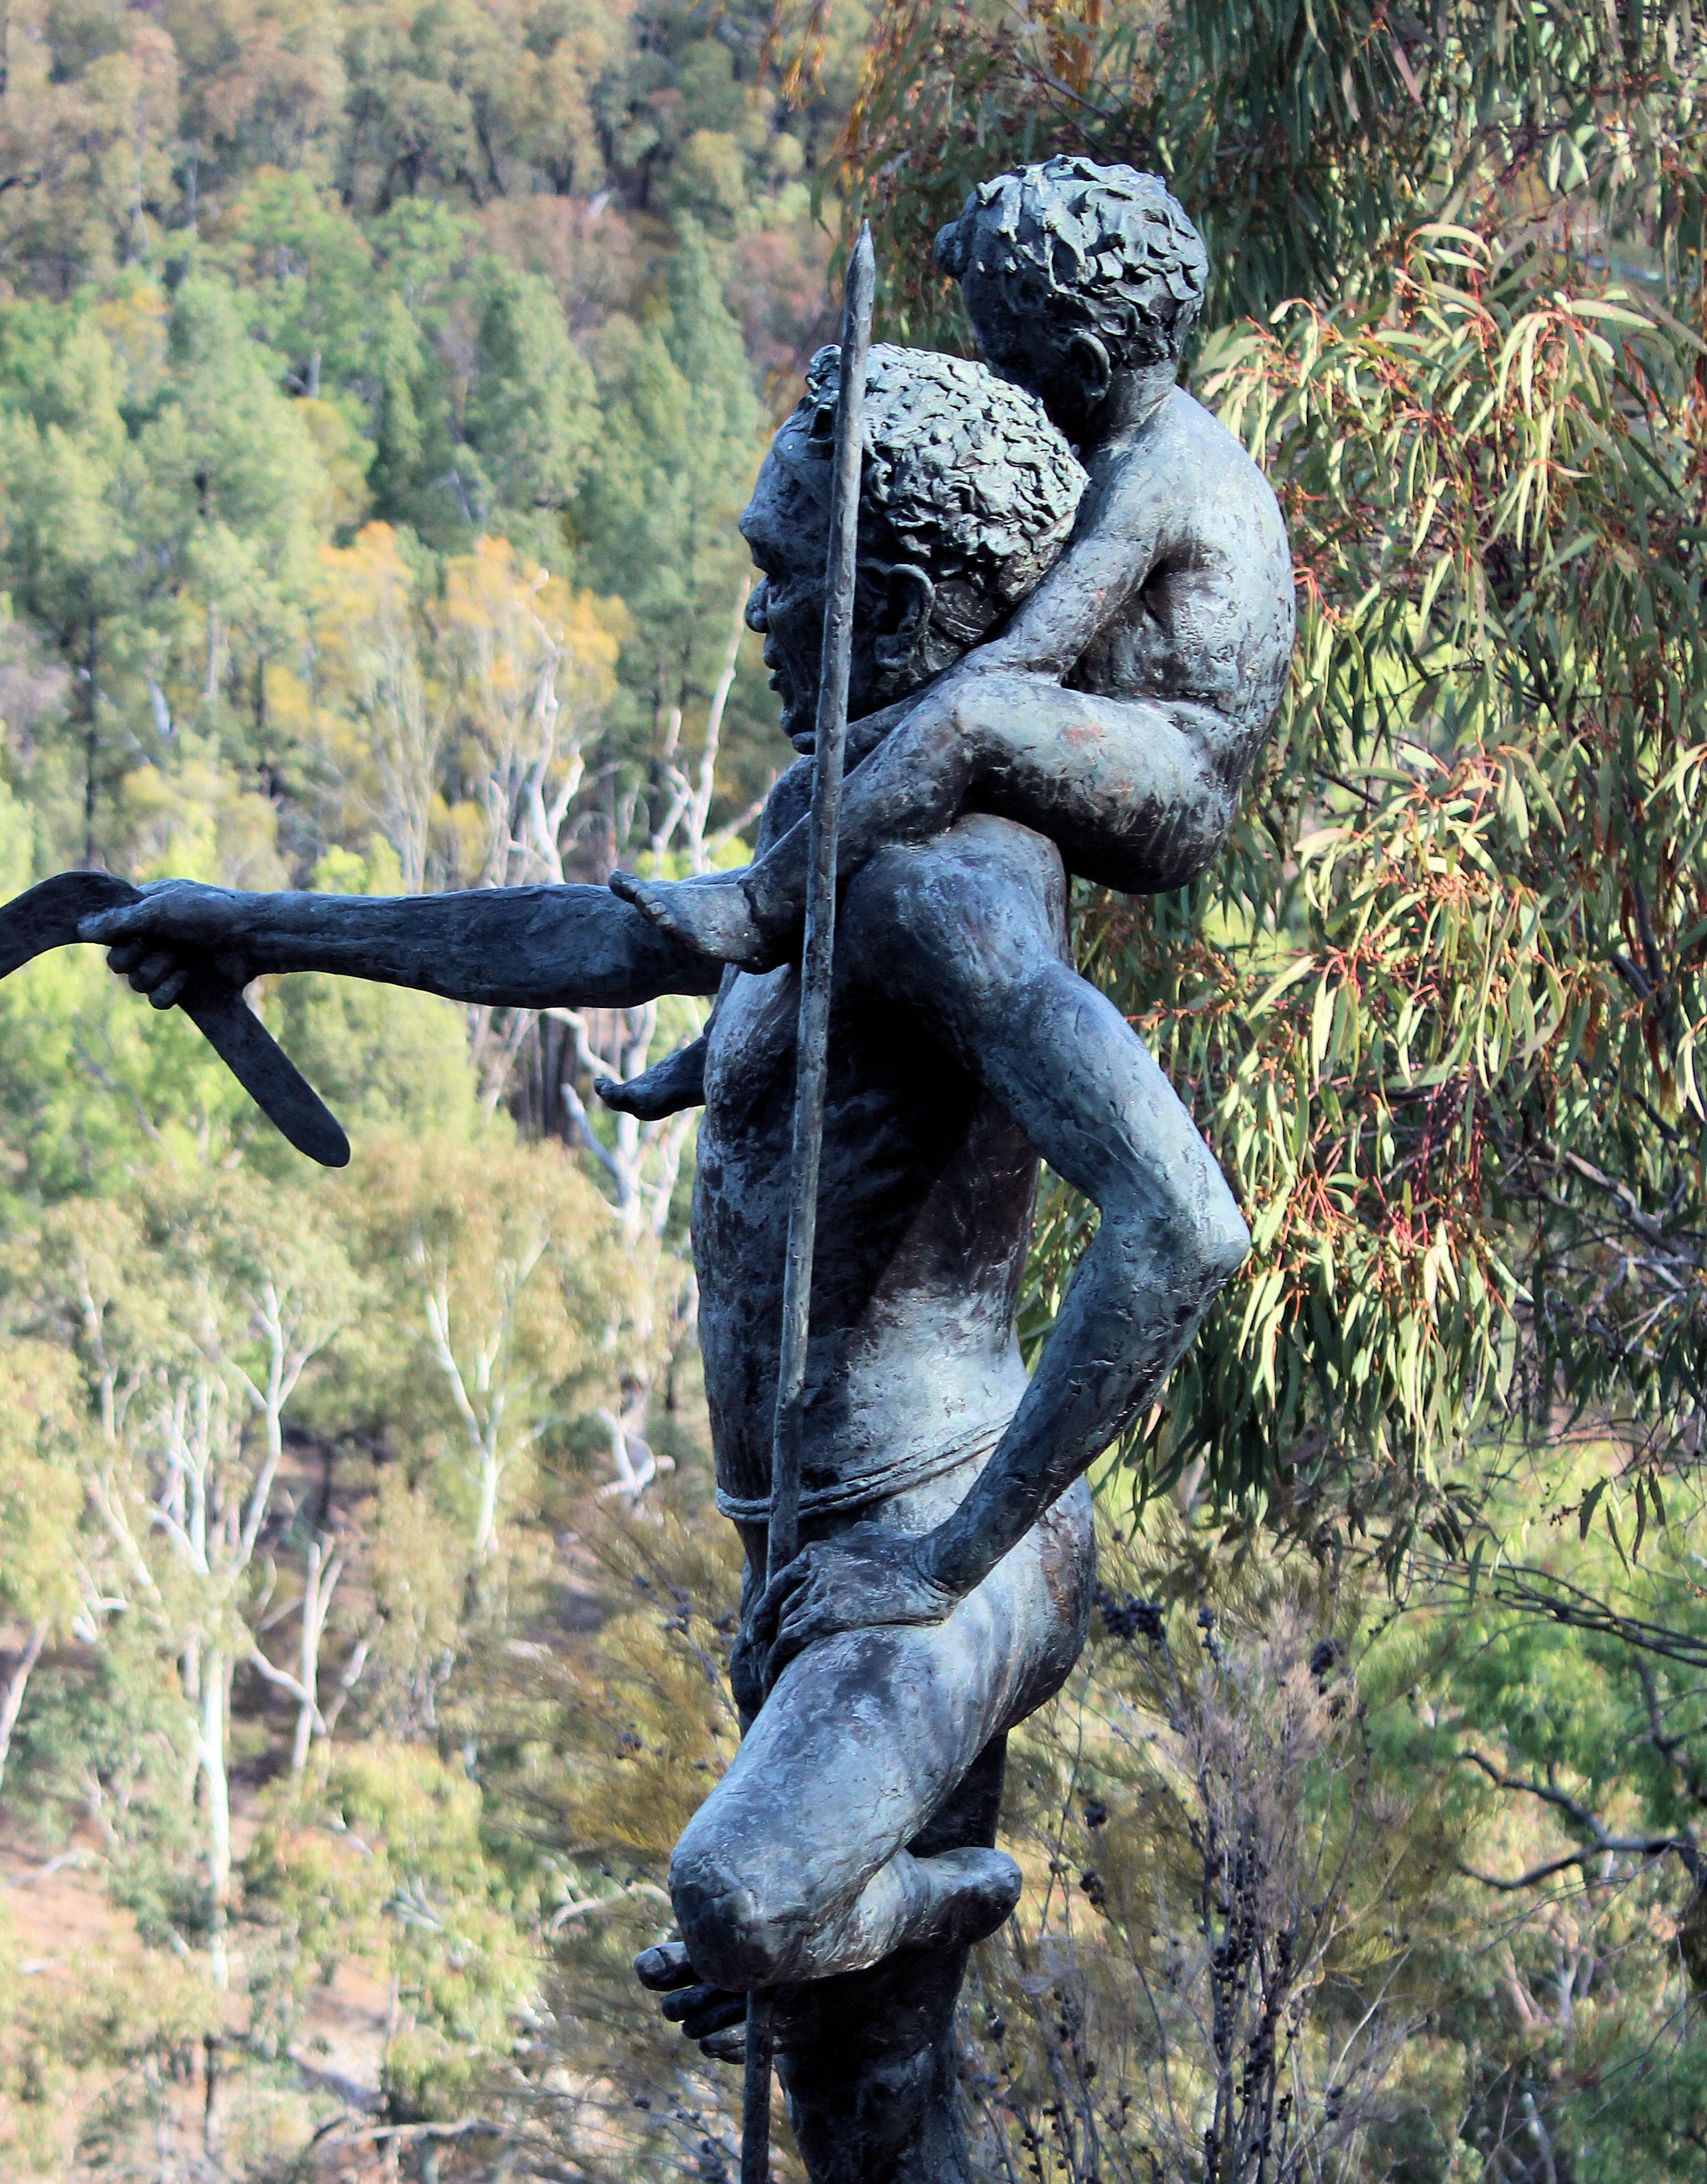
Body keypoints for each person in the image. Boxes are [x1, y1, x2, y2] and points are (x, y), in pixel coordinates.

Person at [78, 333, 1250, 2184]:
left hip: (933, 1532)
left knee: (749, 1905)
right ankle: (888, 1933)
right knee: (870, 2106)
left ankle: (951, 1886)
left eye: (792, 582)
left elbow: (1184, 1220)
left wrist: (948, 1561)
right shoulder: (830, 830)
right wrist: (264, 929)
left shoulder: (945, 889)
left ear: (913, 599)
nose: (763, 617)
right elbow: (600, 934)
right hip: (806, 1540)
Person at [609, 155, 1295, 976]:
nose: (996, 379)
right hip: (1107, 736)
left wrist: (861, 734)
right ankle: (735, 1041)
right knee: (812, 786)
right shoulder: (1119, 441)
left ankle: (763, 908)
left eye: (1005, 358)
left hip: (1172, 783)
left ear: (1085, 365)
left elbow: (1024, 661)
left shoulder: (1156, 478)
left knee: (973, 719)